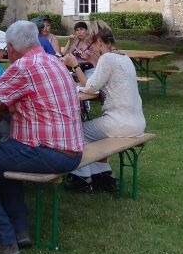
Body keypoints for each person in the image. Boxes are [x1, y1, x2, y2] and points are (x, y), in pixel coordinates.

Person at [0, 20, 84, 254]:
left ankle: (3, 241)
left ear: (11, 48)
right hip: (72, 150)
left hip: (48, 151)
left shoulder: (23, 66)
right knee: (6, 156)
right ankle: (19, 231)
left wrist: (4, 106)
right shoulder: (53, 61)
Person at [61, 20, 145, 193]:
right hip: (137, 122)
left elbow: (90, 87)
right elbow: (103, 80)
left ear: (99, 41)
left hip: (120, 123)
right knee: (93, 133)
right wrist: (93, 61)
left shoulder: (107, 59)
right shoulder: (124, 57)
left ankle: (81, 178)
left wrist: (75, 65)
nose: (89, 48)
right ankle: (103, 175)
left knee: (77, 131)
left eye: (91, 44)